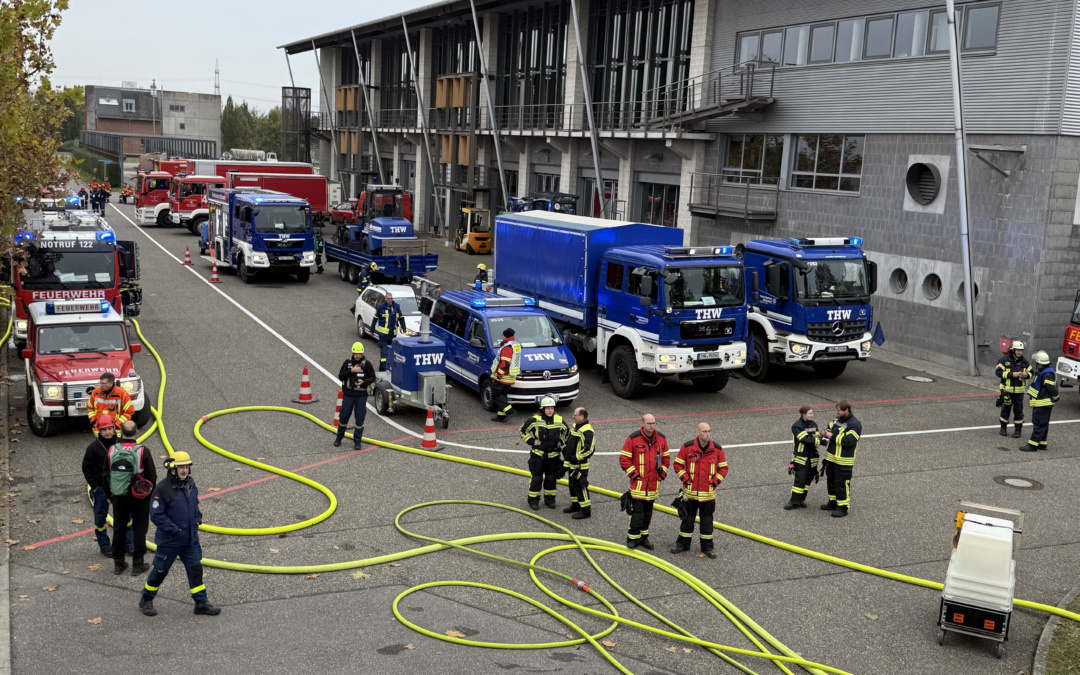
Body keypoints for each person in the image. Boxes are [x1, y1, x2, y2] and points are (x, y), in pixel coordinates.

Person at [139, 451, 220, 617]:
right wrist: (175, 530)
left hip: (190, 540)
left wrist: (197, 519)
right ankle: (146, 599)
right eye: (181, 467)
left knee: (195, 569)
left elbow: (194, 505)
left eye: (186, 466)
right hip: (170, 541)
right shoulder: (162, 489)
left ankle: (201, 602)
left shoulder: (190, 484)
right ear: (172, 468)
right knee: (160, 571)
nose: (184, 470)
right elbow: (157, 515)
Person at [671, 423, 728, 558]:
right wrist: (685, 479)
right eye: (704, 431)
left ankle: (707, 548)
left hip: (708, 496)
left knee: (707, 524)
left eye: (709, 431)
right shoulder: (687, 447)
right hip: (690, 495)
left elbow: (723, 468)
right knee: (687, 521)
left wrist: (714, 482)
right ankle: (682, 545)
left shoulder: (717, 449)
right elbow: (678, 465)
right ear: (697, 432)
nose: (707, 434)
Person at [81, 414, 133, 557]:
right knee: (100, 518)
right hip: (101, 489)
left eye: (110, 429)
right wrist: (95, 487)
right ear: (99, 430)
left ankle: (129, 543)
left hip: (121, 487)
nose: (108, 432)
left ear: (114, 428)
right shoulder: (93, 448)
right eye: (104, 430)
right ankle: (104, 545)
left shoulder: (121, 444)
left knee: (126, 516)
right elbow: (86, 468)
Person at [108, 420, 156, 575]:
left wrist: (111, 495)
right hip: (138, 497)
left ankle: (118, 563)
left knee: (119, 529)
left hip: (118, 495)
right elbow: (152, 476)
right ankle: (138, 564)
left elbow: (105, 474)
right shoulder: (142, 451)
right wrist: (148, 496)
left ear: (121, 432)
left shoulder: (112, 450)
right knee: (139, 530)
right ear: (136, 432)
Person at [619, 414, 669, 550]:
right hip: (638, 486)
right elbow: (624, 459)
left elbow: (666, 459)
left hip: (653, 486)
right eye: (649, 423)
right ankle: (632, 538)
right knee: (637, 514)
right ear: (642, 424)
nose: (652, 426)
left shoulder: (661, 439)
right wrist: (634, 475)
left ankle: (643, 538)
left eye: (653, 423)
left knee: (647, 514)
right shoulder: (633, 439)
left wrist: (662, 473)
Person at [519, 396, 568, 510]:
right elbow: (522, 430)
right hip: (538, 456)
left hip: (553, 457)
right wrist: (531, 441)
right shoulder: (535, 420)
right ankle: (533, 500)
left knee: (551, 479)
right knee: (537, 478)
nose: (550, 410)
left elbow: (566, 432)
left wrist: (561, 441)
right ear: (542, 409)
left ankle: (550, 500)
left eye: (552, 408)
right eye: (547, 408)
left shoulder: (559, 420)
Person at [819, 400, 861, 518]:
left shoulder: (854, 424)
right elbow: (829, 428)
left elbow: (849, 441)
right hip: (831, 459)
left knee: (841, 485)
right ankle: (833, 503)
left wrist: (832, 436)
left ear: (846, 410)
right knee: (831, 482)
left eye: (839, 411)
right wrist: (824, 433)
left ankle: (842, 508)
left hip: (844, 461)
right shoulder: (837, 420)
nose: (837, 413)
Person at [335, 342, 376, 449]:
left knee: (359, 419)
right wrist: (351, 371)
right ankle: (339, 437)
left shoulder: (367, 364)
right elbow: (341, 376)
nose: (358, 355)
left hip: (361, 395)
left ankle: (357, 441)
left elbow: (372, 377)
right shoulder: (347, 363)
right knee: (343, 416)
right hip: (348, 394)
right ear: (353, 353)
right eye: (356, 353)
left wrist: (364, 382)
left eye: (359, 353)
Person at [784, 405, 823, 510]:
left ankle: (801, 500)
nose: (812, 415)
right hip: (801, 457)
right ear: (803, 414)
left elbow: (816, 435)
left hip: (812, 457)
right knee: (799, 480)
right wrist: (818, 441)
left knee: (807, 480)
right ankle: (793, 502)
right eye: (810, 413)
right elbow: (804, 439)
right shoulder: (797, 426)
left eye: (812, 413)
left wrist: (820, 437)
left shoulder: (813, 424)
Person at [1023, 350, 1059, 451]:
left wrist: (1056, 397)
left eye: (1037, 362)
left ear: (1040, 363)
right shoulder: (1045, 372)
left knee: (1039, 423)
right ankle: (1042, 443)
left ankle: (1032, 445)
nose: (1036, 364)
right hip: (1042, 402)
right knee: (1043, 423)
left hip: (1043, 403)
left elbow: (1051, 388)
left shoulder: (1046, 374)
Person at [563, 407, 595, 519]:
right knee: (572, 485)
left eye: (575, 415)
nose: (573, 417)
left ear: (582, 416)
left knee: (580, 486)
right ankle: (575, 505)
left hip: (580, 465)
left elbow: (589, 449)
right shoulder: (576, 427)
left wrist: (576, 457)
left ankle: (586, 511)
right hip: (572, 464)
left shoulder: (587, 431)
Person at [996, 340, 1031, 438]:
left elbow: (1031, 372)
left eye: (1021, 350)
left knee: (1018, 411)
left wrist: (1026, 375)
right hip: (1007, 390)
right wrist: (1011, 374)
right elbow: (998, 372)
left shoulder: (1024, 361)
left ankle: (1018, 430)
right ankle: (1003, 428)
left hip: (1019, 392)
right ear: (1013, 350)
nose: (1020, 352)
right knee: (1005, 410)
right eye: (1018, 350)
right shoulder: (1004, 360)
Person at [490, 328, 521, 422]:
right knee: (502, 394)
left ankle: (509, 410)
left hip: (503, 376)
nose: (501, 336)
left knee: (495, 393)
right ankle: (501, 416)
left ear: (505, 336)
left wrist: (499, 374)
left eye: (502, 335)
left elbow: (505, 363)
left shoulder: (507, 347)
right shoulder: (515, 345)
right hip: (510, 376)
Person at [371, 291, 406, 371]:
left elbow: (401, 318)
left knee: (391, 353)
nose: (390, 300)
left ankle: (389, 368)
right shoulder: (381, 307)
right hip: (383, 336)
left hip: (392, 335)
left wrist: (403, 328)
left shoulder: (396, 307)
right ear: (385, 299)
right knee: (384, 354)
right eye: (388, 298)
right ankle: (383, 369)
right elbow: (375, 319)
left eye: (391, 298)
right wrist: (372, 330)